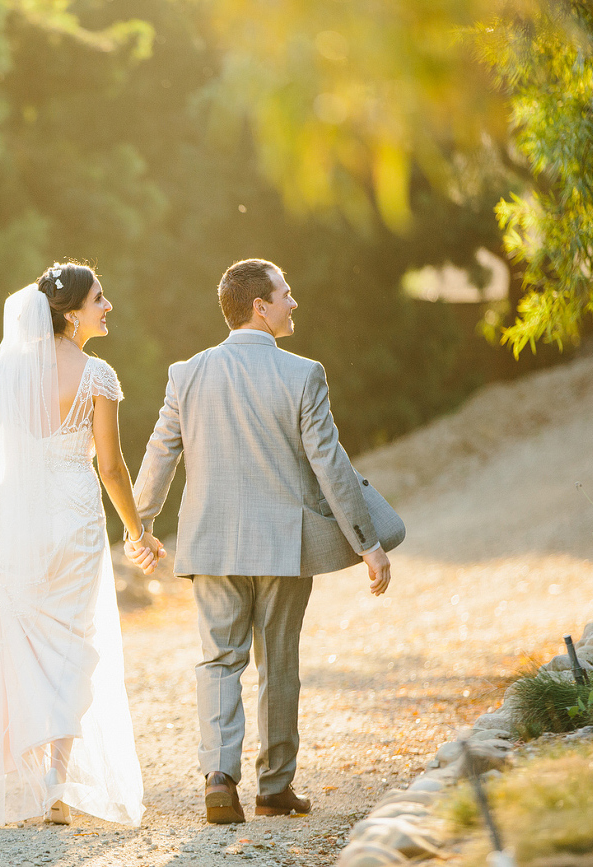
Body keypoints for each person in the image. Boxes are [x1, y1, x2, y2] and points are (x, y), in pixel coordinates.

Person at [126, 258, 392, 824]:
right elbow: (331, 465)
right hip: (283, 547)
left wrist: (140, 524)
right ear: (259, 306)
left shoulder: (186, 373)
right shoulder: (303, 375)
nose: (294, 303)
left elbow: (160, 452)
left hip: (212, 543)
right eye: (286, 294)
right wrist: (366, 541)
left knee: (218, 660)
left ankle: (219, 780)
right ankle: (274, 786)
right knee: (279, 663)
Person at [0, 263, 160, 828]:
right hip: (75, 522)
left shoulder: (7, 368)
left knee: (14, 642)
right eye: (100, 299)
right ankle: (54, 783)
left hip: (15, 519)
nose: (108, 307)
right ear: (72, 311)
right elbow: (109, 464)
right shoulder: (97, 375)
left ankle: (18, 775)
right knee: (68, 645)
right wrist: (137, 530)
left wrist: (14, 483)